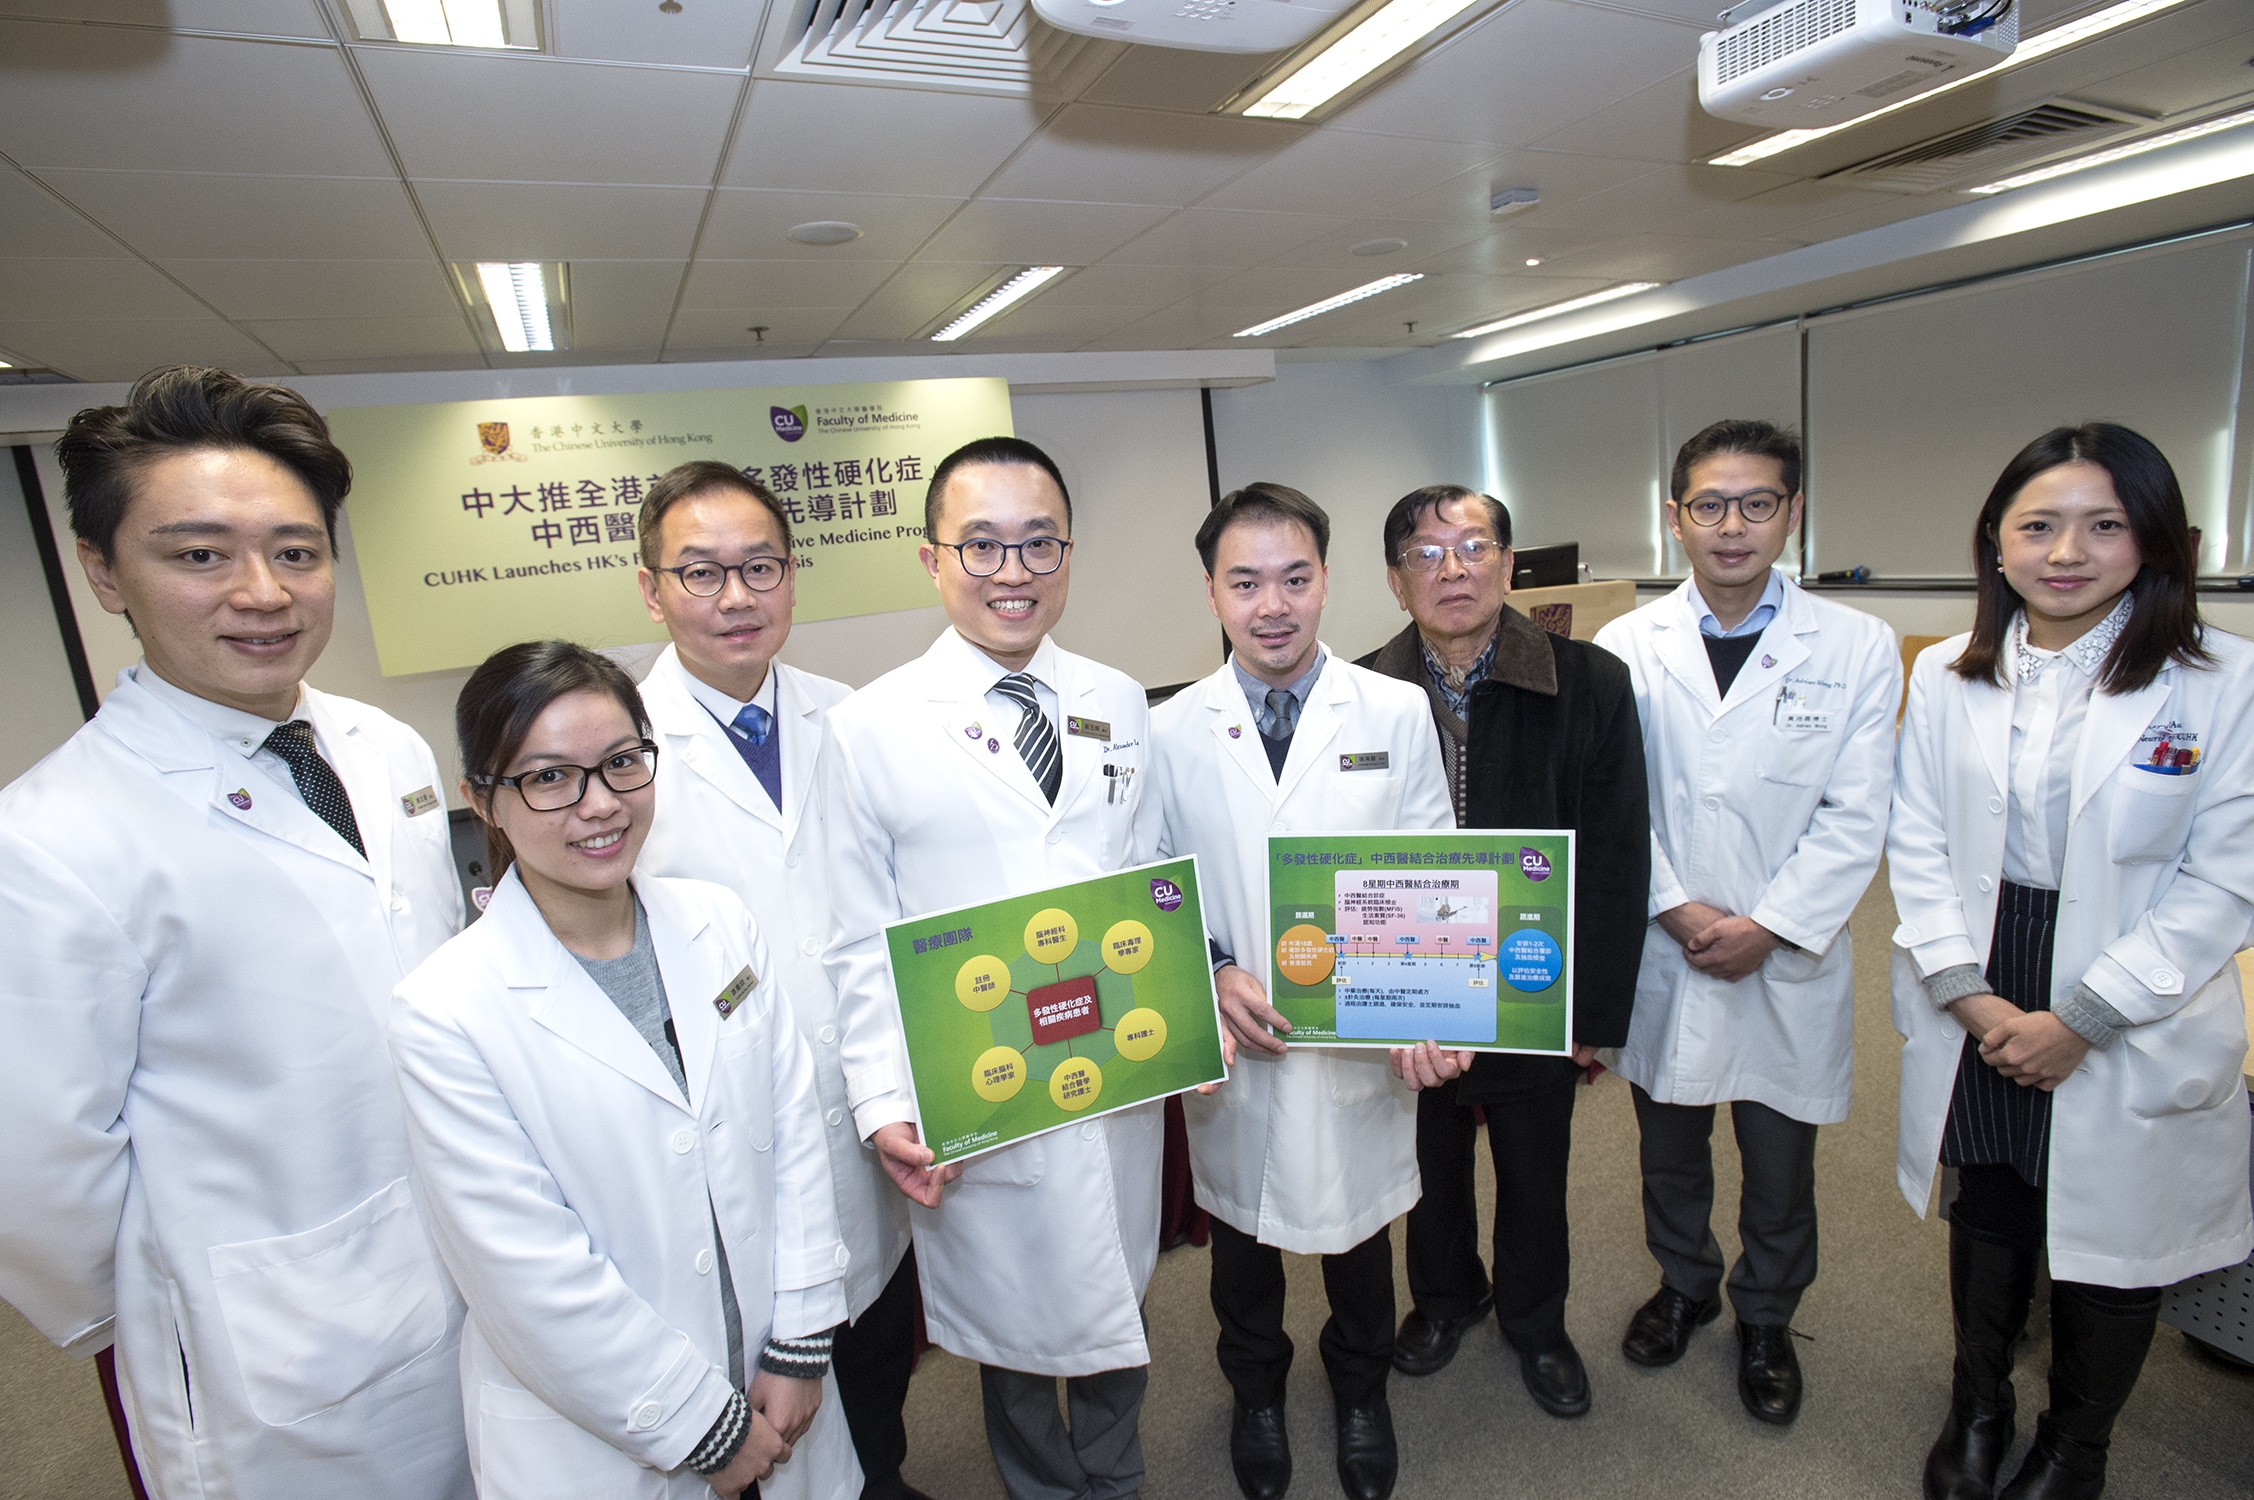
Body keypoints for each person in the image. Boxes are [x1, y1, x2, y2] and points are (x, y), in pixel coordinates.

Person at [0, 366, 472, 1499]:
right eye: (199, 554)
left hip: (472, 1259)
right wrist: (176, 1308)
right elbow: (40, 1175)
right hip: (271, 1349)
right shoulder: (48, 838)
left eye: (297, 552)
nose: (262, 592)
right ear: (103, 571)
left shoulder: (384, 748)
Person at [390, 640, 859, 1500]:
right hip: (614, 1435)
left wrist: (800, 1342)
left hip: (778, 1383)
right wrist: (703, 1428)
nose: (598, 804)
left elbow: (794, 1137)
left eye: (620, 764)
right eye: (548, 778)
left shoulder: (717, 923)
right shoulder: (446, 1010)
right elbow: (525, 1268)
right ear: (482, 801)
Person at [1891, 423, 2253, 1500]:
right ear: (1994, 544)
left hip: (2133, 984)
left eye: (2103, 525)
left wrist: (2083, 1017)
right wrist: (1965, 989)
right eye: (2037, 525)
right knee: (1992, 1199)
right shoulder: (1953, 676)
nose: (2065, 551)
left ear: (2152, 540)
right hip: (1984, 972)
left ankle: (2073, 1444)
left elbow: (2226, 875)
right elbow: (1916, 838)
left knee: (2114, 1233)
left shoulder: (2222, 681)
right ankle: (1980, 1405)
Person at [819, 437, 1164, 1500]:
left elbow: (1149, 880)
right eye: (981, 546)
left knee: (1118, 1300)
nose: (1012, 571)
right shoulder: (868, 728)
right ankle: (1038, 1486)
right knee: (1016, 1327)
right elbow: (855, 935)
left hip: (1115, 1064)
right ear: (932, 561)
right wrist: (881, 1098)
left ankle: (1115, 1480)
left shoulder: (1118, 698)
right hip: (982, 1081)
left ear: (1067, 554)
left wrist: (1183, 1011)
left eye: (1037, 543)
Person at [1591, 421, 1899, 1425]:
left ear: (1791, 514)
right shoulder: (1624, 646)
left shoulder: (1855, 646)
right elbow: (1611, 800)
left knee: (1778, 1158)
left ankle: (1766, 1315)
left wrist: (1769, 925)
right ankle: (1684, 1285)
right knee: (1668, 1144)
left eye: (1757, 503)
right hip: (1663, 943)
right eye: (1709, 506)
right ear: (1673, 519)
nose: (1733, 526)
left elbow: (1859, 815)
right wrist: (1674, 909)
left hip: (1783, 953)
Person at [1150, 484, 1452, 1500]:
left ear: (1327, 581)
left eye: (1294, 577)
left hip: (1358, 1042)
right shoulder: (1170, 728)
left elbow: (1433, 872)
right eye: (1245, 582)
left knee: (1359, 1233)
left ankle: (1361, 1392)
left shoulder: (1396, 710)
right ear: (1211, 594)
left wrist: (1432, 1011)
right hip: (1237, 1039)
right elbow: (1155, 887)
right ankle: (1258, 1393)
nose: (1271, 604)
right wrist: (1211, 966)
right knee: (1239, 1240)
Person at [633, 461, 923, 1500]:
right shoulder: (621, 746)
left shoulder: (848, 718)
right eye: (701, 573)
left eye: (760, 567)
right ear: (650, 588)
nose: (737, 597)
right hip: (731, 1132)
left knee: (879, 1342)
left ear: (793, 578)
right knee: (756, 1382)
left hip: (862, 1102)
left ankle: (881, 1476)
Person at [1356, 485, 1649, 1420]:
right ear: (1397, 582)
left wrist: (1591, 1018)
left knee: (1535, 1169)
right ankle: (1446, 1299)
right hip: (1412, 982)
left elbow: (1613, 855)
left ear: (1509, 565)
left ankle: (1536, 1319)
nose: (1453, 569)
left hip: (1535, 983)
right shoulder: (1357, 691)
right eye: (1426, 554)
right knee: (1430, 1165)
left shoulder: (1589, 681)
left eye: (1473, 547)